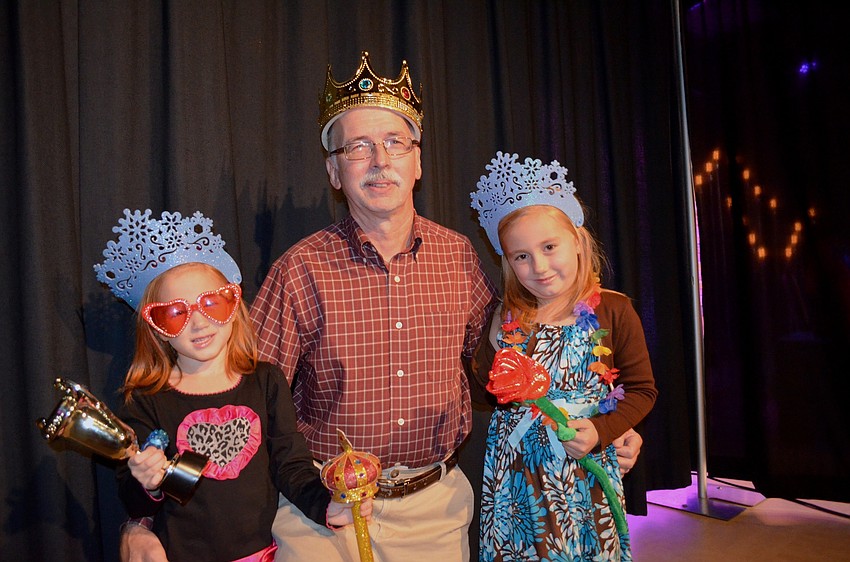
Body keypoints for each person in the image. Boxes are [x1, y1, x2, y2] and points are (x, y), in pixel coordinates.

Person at [119, 53, 645, 562]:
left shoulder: (459, 257)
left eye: (395, 143)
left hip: (435, 512)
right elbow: (230, 401)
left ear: (418, 161)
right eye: (358, 148)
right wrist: (141, 519)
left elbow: (511, 369)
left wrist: (605, 421)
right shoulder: (299, 270)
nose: (379, 160)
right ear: (333, 171)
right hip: (320, 513)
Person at [94, 209, 365, 561]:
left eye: (212, 303)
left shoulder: (266, 381)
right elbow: (132, 500)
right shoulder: (145, 401)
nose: (199, 323)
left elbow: (291, 465)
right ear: (157, 326)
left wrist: (328, 506)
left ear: (233, 305)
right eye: (176, 313)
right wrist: (147, 482)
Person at [468, 152, 658, 561]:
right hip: (517, 481)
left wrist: (602, 430)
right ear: (508, 262)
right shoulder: (507, 319)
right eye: (521, 256)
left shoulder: (614, 310)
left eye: (550, 246)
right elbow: (485, 396)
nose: (540, 266)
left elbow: (642, 390)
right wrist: (492, 342)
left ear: (576, 239)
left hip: (583, 474)